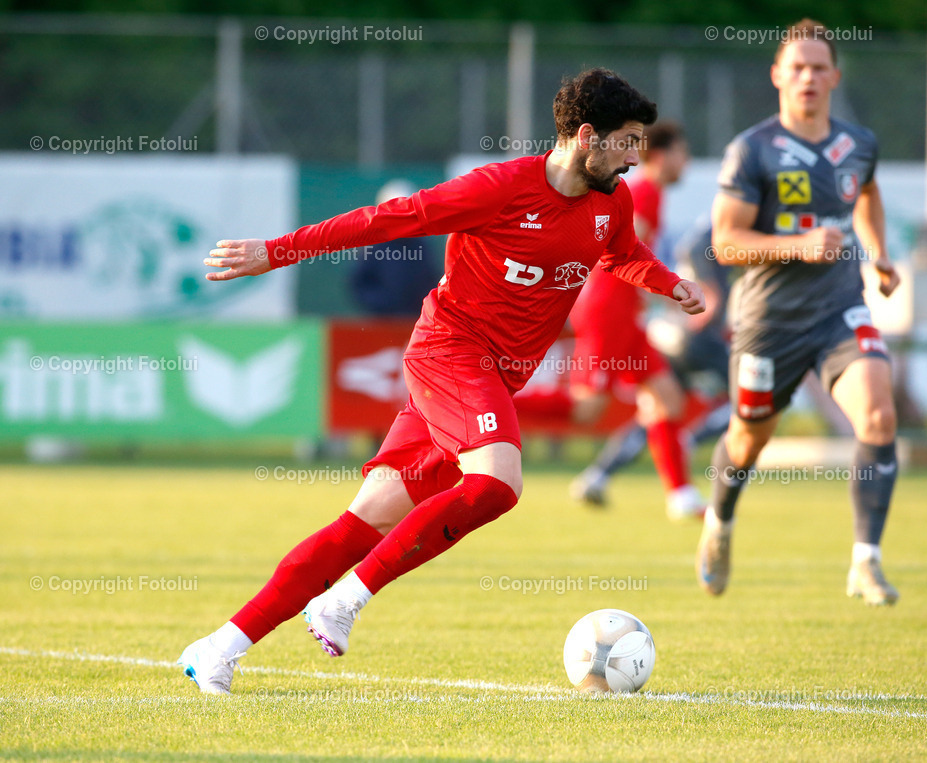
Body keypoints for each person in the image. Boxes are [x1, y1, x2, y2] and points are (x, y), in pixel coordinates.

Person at [177, 68, 705, 694]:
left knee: (363, 521)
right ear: (586, 136)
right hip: (451, 352)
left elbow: (620, 253)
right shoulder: (500, 187)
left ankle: (219, 647)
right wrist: (276, 250)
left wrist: (670, 285)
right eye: (626, 141)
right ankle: (344, 600)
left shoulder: (610, 200)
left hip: (494, 379)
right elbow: (388, 220)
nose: (634, 156)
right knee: (497, 483)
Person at [696, 18, 902, 606]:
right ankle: (720, 521)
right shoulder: (752, 150)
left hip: (839, 309)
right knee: (747, 441)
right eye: (797, 66)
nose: (808, 76)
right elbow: (727, 242)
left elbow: (866, 193)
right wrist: (798, 245)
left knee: (879, 418)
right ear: (777, 77)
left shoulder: (857, 143)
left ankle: (865, 561)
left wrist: (881, 255)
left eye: (819, 66)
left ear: (835, 75)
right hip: (767, 323)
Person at [515, 120, 706, 520]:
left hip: (625, 315)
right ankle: (491, 408)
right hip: (608, 311)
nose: (685, 161)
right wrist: (663, 292)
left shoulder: (650, 193)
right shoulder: (648, 192)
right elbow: (623, 255)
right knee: (588, 409)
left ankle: (681, 495)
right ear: (664, 155)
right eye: (682, 153)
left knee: (667, 399)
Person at [570, 218, 733, 507]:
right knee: (757, 398)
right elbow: (632, 256)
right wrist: (706, 297)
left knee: (662, 404)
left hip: (662, 328)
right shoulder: (647, 193)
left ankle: (601, 475)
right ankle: (690, 443)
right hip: (688, 333)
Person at [350, 179, 443, 317]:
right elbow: (359, 284)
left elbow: (431, 280)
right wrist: (382, 305)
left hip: (415, 320)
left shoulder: (421, 246)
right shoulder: (373, 246)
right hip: (380, 322)